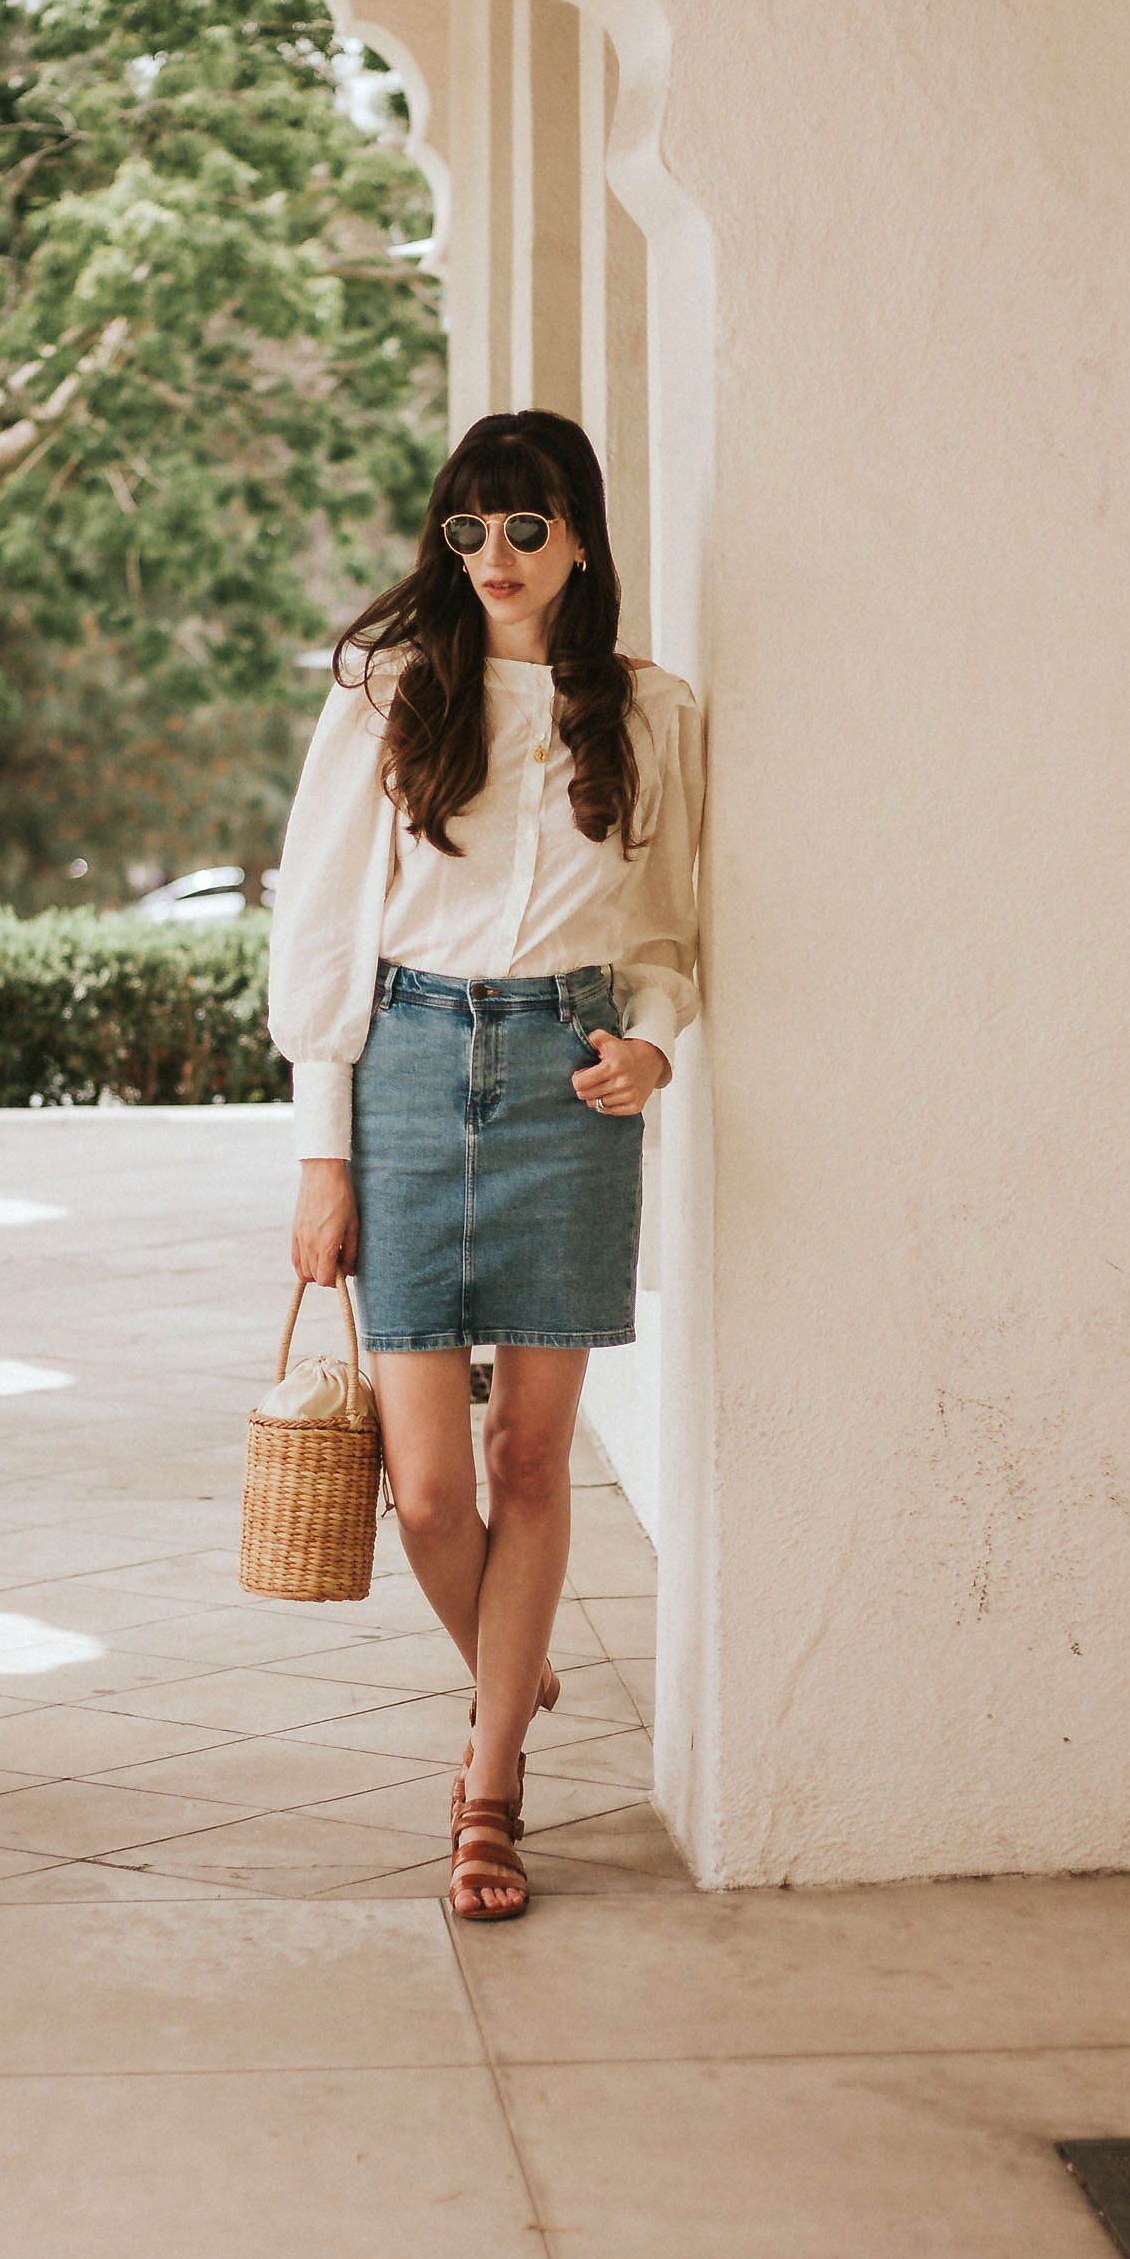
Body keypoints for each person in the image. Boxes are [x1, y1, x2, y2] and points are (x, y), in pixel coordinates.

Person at [267, 408, 703, 1919]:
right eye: (469, 531)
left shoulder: (650, 712)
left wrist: (649, 1044)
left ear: (581, 533)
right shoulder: (391, 695)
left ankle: (491, 1782)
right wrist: (322, 1160)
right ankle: (515, 1668)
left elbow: (665, 942)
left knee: (531, 1456)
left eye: (526, 528)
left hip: (567, 1088)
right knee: (436, 1493)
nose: (497, 558)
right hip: (402, 1070)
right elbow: (321, 935)